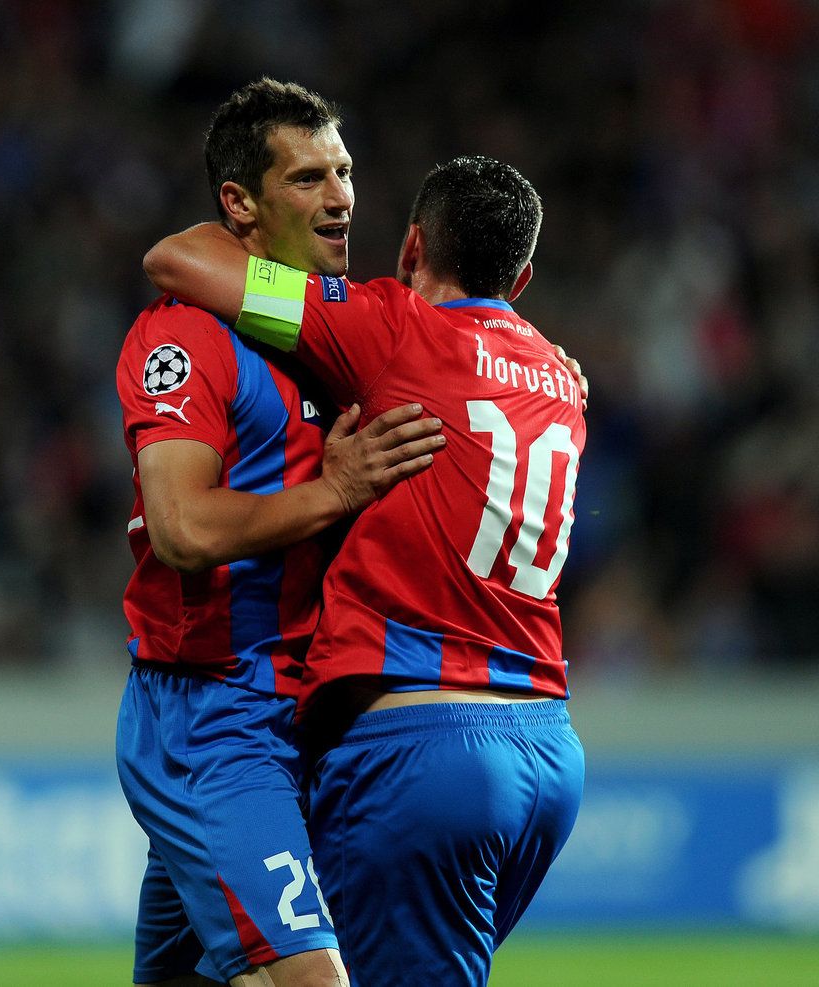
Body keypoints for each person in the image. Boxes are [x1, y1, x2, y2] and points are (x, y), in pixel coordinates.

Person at [146, 149, 587, 985]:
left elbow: (176, 261)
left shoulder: (396, 325)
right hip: (547, 751)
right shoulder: (559, 379)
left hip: (423, 747)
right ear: (522, 279)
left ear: (412, 248)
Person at [115, 80, 446, 987]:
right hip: (213, 712)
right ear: (241, 204)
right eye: (307, 179)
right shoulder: (183, 337)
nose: (340, 196)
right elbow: (181, 527)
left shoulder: (335, 329)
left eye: (344, 172)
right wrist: (337, 488)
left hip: (306, 716)